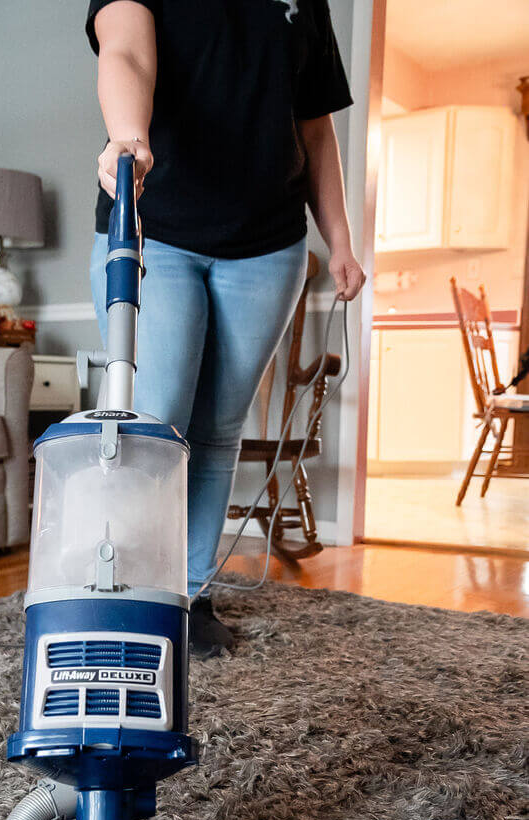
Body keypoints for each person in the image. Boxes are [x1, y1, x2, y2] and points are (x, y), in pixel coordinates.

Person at [87, 0, 365, 658]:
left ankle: (193, 593)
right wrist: (128, 138)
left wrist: (340, 240)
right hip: (156, 225)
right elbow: (126, 51)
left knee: (217, 430)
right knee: (153, 422)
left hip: (268, 244)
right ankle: (126, 590)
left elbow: (314, 125)